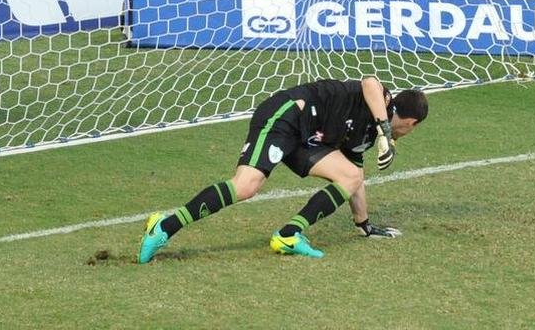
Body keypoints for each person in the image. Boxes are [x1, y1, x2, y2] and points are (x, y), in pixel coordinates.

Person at [138, 76, 428, 262]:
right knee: (246, 186)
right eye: (412, 130)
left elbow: (353, 176)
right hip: (286, 116)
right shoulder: (382, 101)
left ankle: (288, 235)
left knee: (351, 175)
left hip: (308, 137)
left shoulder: (365, 136)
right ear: (412, 123)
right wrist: (385, 132)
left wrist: (364, 225)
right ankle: (163, 226)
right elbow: (370, 82)